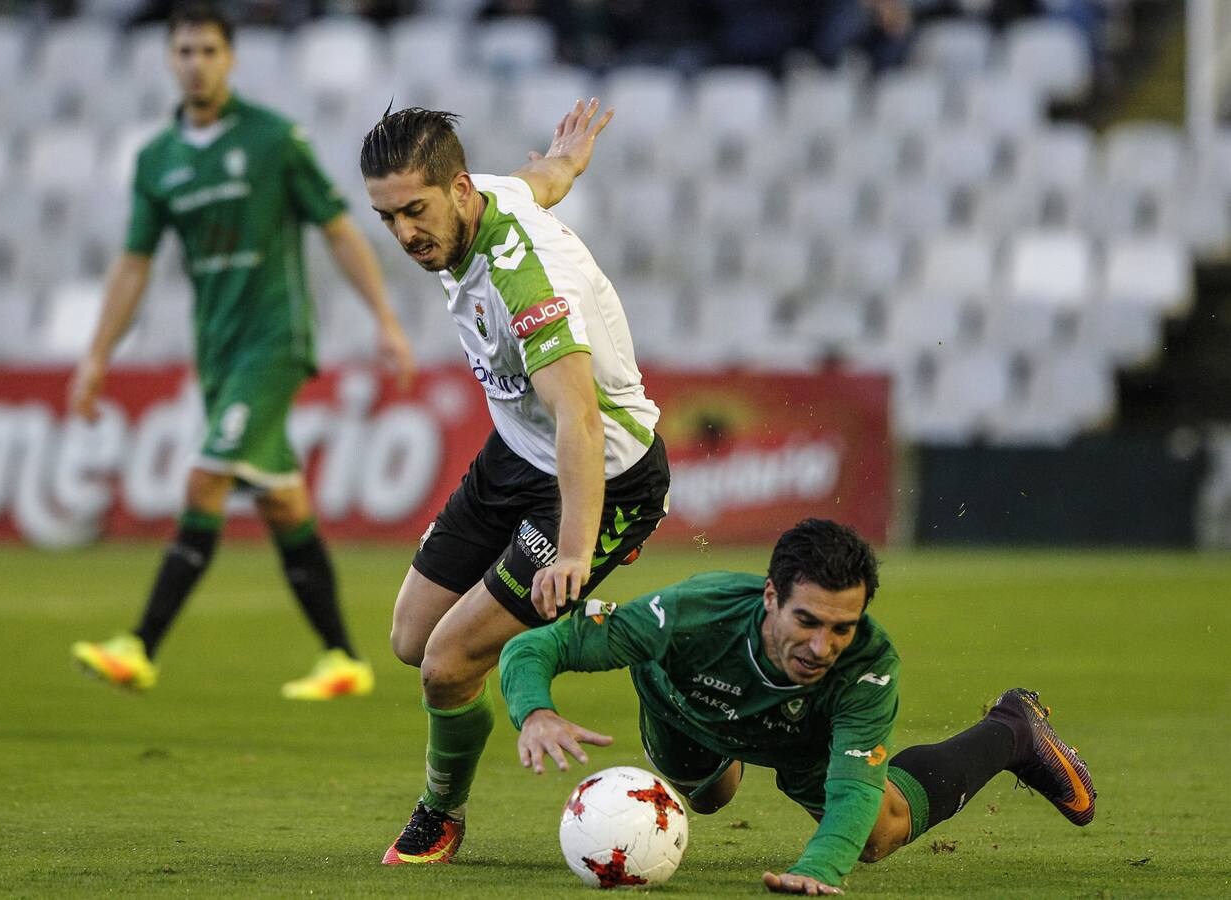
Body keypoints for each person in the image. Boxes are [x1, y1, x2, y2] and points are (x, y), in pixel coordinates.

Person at [69, 3, 414, 700]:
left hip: (275, 340)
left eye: (208, 50)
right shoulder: (157, 160)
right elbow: (134, 264)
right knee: (283, 503)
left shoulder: (272, 140)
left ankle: (139, 646)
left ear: (230, 59)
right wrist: (97, 354)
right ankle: (342, 658)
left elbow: (339, 228)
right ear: (170, 60)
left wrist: (384, 316)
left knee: (204, 481)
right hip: (219, 351)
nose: (196, 62)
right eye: (185, 51)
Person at [360, 101, 671, 864]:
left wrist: (573, 547)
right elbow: (542, 180)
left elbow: (581, 424)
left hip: (601, 475)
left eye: (416, 211)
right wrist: (568, 159)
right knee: (408, 638)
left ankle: (442, 813)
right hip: (517, 455)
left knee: (446, 664)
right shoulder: (486, 198)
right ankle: (569, 588)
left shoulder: (524, 280)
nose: (404, 234)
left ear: (458, 190)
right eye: (389, 216)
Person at [500, 518, 1096, 894]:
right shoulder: (690, 615)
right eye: (806, 622)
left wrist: (821, 867)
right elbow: (540, 643)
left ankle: (1013, 731)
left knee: (877, 834)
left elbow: (855, 787)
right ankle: (718, 768)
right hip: (686, 713)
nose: (821, 648)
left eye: (842, 627)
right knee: (709, 797)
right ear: (769, 597)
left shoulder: (869, 665)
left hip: (802, 740)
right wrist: (535, 711)